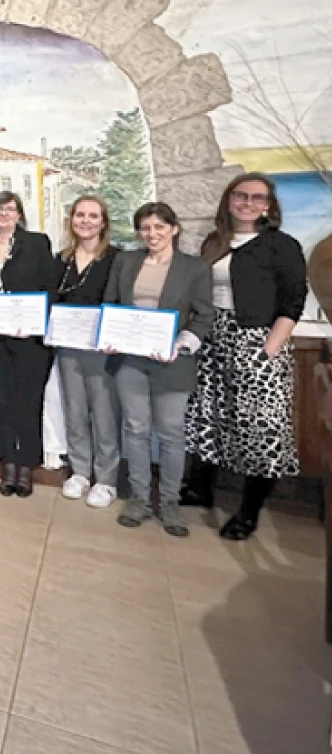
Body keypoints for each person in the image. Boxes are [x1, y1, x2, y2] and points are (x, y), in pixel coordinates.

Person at [184, 173, 308, 540]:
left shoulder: (281, 245)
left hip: (257, 339)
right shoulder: (214, 242)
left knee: (260, 427)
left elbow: (293, 301)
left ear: (269, 205)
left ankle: (249, 513)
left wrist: (269, 349)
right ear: (228, 200)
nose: (248, 203)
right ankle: (199, 489)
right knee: (208, 416)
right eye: (241, 196)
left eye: (257, 198)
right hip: (212, 338)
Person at [104, 202, 213, 538]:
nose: (152, 234)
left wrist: (181, 343)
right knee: (135, 428)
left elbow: (204, 316)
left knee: (170, 432)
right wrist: (109, 336)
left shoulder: (194, 268)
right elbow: (111, 305)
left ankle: (169, 502)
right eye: (146, 228)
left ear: (174, 229)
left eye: (159, 227)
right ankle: (139, 498)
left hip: (173, 361)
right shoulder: (126, 260)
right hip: (131, 360)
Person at [0, 192, 57, 497]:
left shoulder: (37, 243)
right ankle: (7, 464)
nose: (4, 214)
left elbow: (50, 287)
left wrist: (33, 324)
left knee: (29, 403)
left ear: (19, 215)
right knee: (1, 402)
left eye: (10, 209)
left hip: (29, 340)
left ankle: (27, 466)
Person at [55, 196, 121, 509]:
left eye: (93, 216)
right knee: (75, 409)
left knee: (104, 413)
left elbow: (122, 303)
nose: (85, 220)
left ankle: (106, 479)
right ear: (72, 220)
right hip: (68, 346)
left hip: (102, 348)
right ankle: (80, 471)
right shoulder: (61, 260)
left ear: (103, 222)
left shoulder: (117, 259)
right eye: (80, 214)